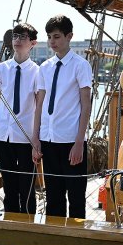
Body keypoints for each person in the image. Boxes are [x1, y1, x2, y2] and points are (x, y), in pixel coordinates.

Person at [32, 15, 93, 219]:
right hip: (48, 140)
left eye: (56, 36)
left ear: (69, 36)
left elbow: (86, 105)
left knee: (76, 197)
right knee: (54, 197)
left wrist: (79, 142)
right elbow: (39, 105)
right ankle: (54, 239)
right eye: (49, 37)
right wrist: (35, 139)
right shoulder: (44, 68)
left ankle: (77, 241)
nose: (52, 42)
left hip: (70, 141)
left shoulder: (80, 65)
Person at [0, 23, 39, 214]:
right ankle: (10, 222)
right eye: (15, 36)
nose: (17, 40)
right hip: (3, 135)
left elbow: (39, 107)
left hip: (26, 137)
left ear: (33, 43)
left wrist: (37, 140)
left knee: (27, 186)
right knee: (9, 185)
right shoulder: (1, 69)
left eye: (23, 37)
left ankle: (29, 223)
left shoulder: (37, 72)